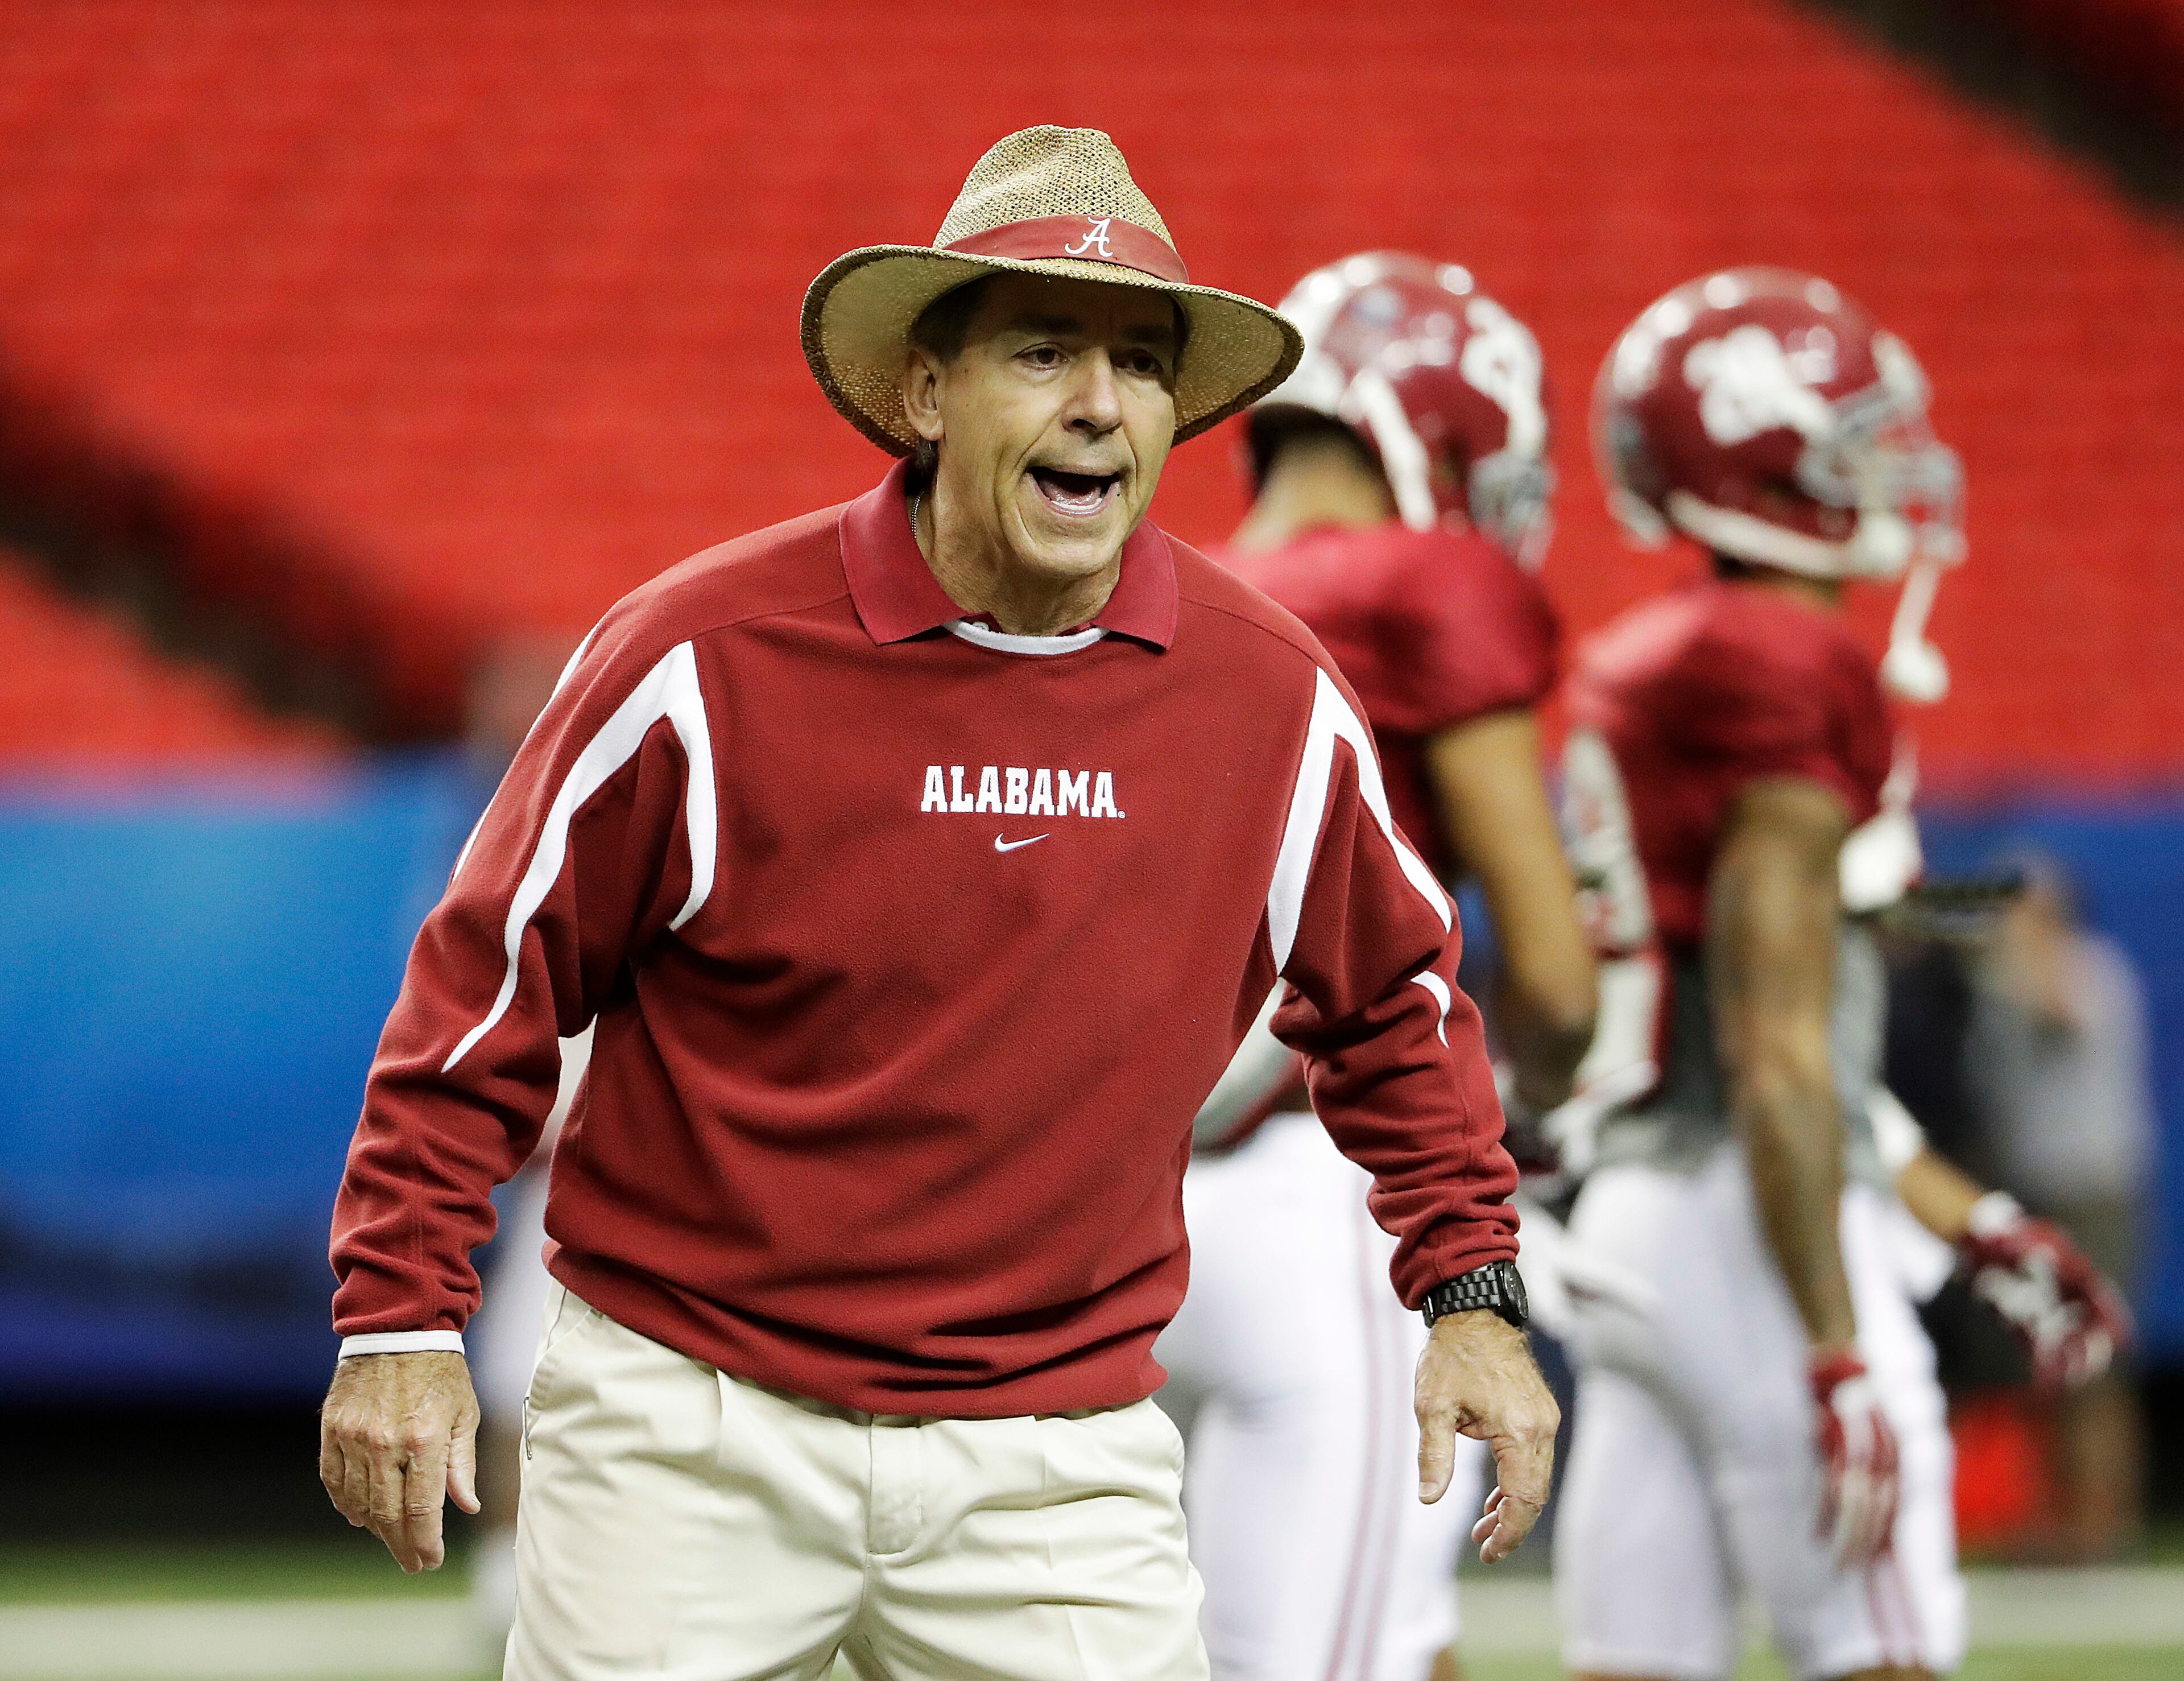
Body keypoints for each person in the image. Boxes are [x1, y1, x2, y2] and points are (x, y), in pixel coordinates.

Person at [317, 126, 1559, 1681]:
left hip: (1058, 1446)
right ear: (923, 394)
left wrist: (1474, 1293)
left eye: (1140, 362)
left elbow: (1398, 1003)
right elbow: (484, 988)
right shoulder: (701, 657)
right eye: (1044, 350)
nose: (1100, 404)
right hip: (691, 1426)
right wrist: (401, 1317)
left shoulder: (1270, 694)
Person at [1154, 253, 1594, 1681]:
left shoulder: (1170, 590)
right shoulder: (1429, 579)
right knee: (1355, 1651)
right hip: (1334, 1192)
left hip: (1125, 1215)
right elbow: (1555, 971)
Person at [1549, 267, 1974, 1681]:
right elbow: (1782, 1046)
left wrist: (1970, 1215)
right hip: (1758, 1220)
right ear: (1765, 447)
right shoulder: (1787, 659)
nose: (1883, 462)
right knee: (1879, 1648)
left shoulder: (1653, 655)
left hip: (1632, 1217)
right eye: (1849, 430)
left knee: (1637, 1660)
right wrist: (1840, 1346)